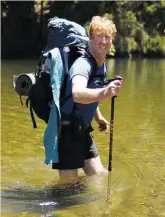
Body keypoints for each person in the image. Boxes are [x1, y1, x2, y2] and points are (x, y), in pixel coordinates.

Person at [52, 16, 123, 180]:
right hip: (67, 131)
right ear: (90, 37)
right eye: (99, 35)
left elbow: (91, 90)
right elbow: (77, 93)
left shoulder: (101, 63)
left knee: (98, 177)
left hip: (82, 130)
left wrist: (98, 118)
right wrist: (105, 93)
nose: (104, 41)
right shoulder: (83, 64)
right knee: (68, 190)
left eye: (108, 36)